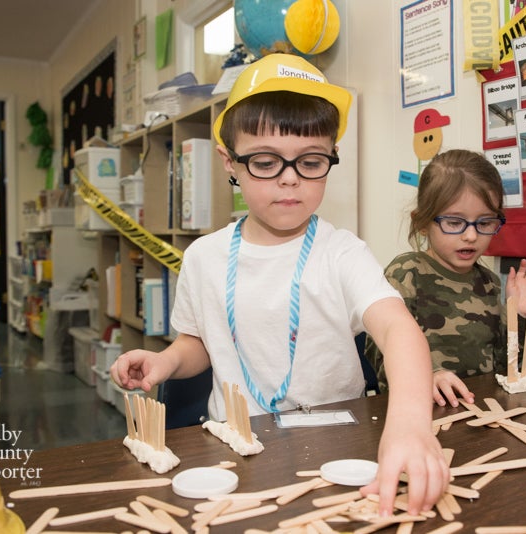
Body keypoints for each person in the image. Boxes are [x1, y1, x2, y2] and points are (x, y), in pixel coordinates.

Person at [110, 53, 448, 516]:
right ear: (230, 163)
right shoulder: (203, 258)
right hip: (235, 446)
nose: (290, 179)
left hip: (339, 444)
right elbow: (202, 343)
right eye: (266, 162)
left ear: (330, 156)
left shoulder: (342, 252)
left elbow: (397, 330)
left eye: (311, 161)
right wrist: (166, 361)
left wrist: (410, 424)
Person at [365, 149, 526, 408]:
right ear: (423, 222)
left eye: (484, 223)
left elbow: (507, 369)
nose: (471, 236)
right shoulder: (406, 272)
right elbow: (378, 346)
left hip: (478, 413)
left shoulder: (490, 283)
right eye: (454, 222)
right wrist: (428, 374)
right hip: (414, 414)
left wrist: (521, 314)